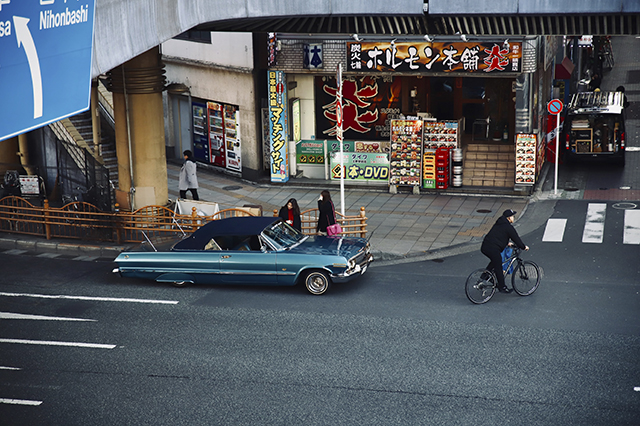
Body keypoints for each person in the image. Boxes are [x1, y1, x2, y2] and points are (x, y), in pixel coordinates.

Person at [481, 209, 529, 293]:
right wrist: (523, 247)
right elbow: (516, 239)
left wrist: (507, 243)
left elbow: (497, 235)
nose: (514, 218)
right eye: (513, 216)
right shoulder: (508, 227)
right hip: (492, 248)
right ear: (509, 218)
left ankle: (485, 275)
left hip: (485, 246)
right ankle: (502, 287)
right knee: (498, 266)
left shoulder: (499, 223)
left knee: (494, 260)